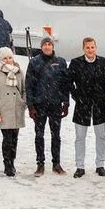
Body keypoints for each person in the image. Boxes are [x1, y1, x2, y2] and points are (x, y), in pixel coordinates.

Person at [26, 36, 70, 176]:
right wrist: (31, 105)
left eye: (49, 44)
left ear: (53, 46)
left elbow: (65, 84)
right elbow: (29, 85)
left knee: (56, 135)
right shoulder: (34, 62)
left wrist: (66, 103)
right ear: (41, 47)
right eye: (44, 44)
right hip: (40, 104)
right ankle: (40, 164)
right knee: (39, 135)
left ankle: (56, 163)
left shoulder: (61, 62)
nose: (47, 47)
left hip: (55, 104)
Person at [68, 38, 105, 179]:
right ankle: (80, 166)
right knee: (80, 137)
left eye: (92, 47)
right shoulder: (76, 63)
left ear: (96, 47)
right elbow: (69, 82)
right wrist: (76, 96)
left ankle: (100, 164)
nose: (90, 50)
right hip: (82, 104)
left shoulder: (103, 62)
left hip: (99, 104)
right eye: (87, 48)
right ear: (83, 49)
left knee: (101, 136)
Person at [0, 47, 26, 177]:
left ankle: (12, 162)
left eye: (10, 57)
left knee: (15, 139)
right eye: (5, 58)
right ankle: (7, 164)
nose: (8, 60)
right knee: (7, 139)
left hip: (16, 109)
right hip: (4, 110)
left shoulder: (19, 71)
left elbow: (24, 90)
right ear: (0, 59)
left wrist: (23, 103)